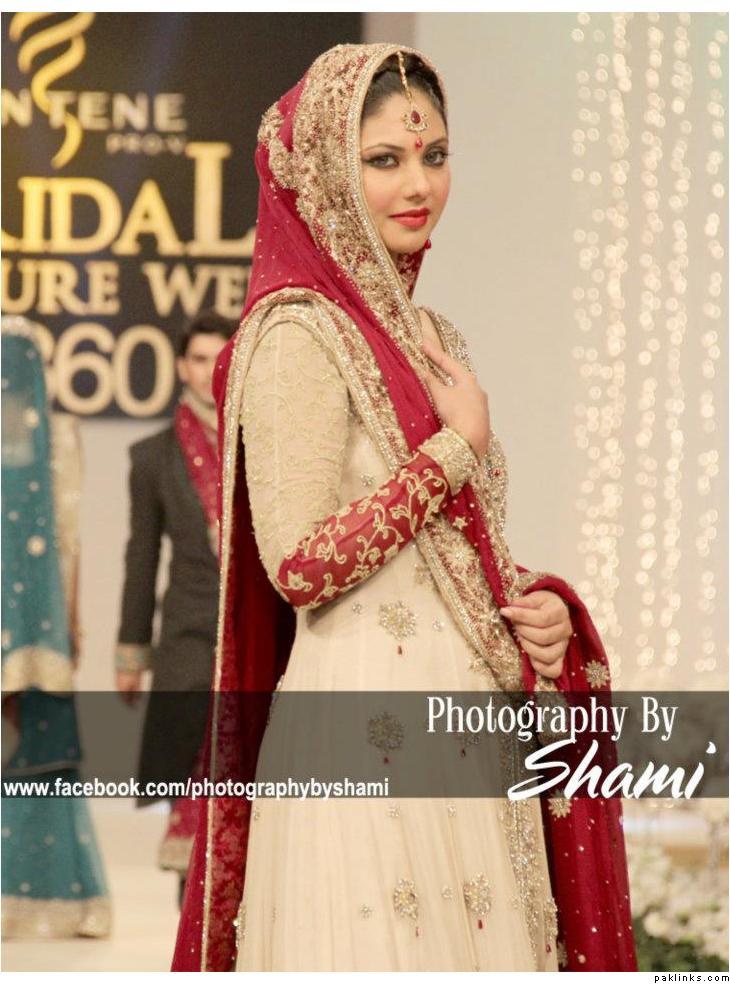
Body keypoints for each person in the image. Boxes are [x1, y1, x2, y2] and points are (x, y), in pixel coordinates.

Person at [172, 44, 636, 972]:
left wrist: (535, 605)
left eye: (434, 154)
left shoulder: (431, 334)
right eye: (383, 160)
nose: (418, 184)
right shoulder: (297, 333)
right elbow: (299, 563)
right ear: (325, 175)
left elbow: (452, 549)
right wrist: (451, 450)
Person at [114, 310, 236, 904]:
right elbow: (141, 558)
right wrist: (131, 653)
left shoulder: (262, 442)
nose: (208, 370)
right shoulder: (153, 457)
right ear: (181, 367)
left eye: (219, 358)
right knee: (191, 762)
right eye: (198, 358)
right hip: (188, 634)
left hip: (254, 632)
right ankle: (193, 922)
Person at [1, 315, 111, 939]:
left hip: (39, 620)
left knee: (44, 754)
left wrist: (70, 621)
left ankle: (48, 896)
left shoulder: (60, 436)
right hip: (31, 616)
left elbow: (69, 537)